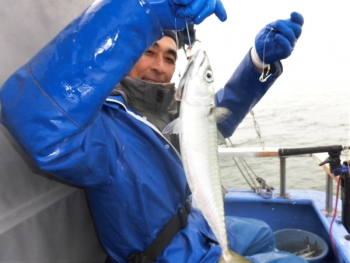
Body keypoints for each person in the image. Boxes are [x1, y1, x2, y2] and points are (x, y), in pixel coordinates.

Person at [0, 0, 305, 262]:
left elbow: (215, 118)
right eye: (149, 52)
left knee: (263, 233)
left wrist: (257, 63)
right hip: (168, 254)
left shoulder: (170, 113)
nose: (160, 67)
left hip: (199, 226)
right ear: (126, 52)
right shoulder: (102, 126)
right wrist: (142, 9)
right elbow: (36, 120)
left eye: (170, 57)